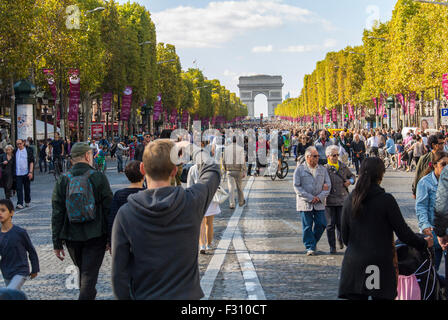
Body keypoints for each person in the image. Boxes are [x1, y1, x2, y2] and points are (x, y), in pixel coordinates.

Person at [111, 139, 221, 299]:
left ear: (142, 168)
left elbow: (118, 275)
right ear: (174, 171)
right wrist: (191, 147)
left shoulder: (125, 213)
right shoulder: (191, 201)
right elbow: (212, 169)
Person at [339, 157, 433, 300]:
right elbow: (403, 232)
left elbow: (344, 235)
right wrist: (424, 243)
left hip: (354, 263)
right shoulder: (385, 200)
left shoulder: (351, 198)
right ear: (381, 175)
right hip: (376, 266)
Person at [51, 143, 113, 300]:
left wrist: (57, 242)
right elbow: (109, 209)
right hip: (96, 234)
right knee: (88, 276)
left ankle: (88, 295)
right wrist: (111, 238)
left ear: (72, 160)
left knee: (84, 274)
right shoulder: (98, 177)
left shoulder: (63, 180)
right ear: (87, 156)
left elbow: (57, 212)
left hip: (71, 235)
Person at [293, 146, 331, 256]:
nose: (317, 158)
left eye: (318, 156)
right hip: (305, 203)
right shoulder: (299, 169)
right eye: (315, 156)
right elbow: (297, 187)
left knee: (322, 223)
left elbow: (328, 185)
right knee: (307, 226)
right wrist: (310, 197)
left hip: (319, 202)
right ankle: (310, 246)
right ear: (307, 157)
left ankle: (312, 242)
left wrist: (319, 197)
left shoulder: (322, 169)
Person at [415, 151, 448, 272]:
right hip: (432, 232)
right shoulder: (425, 182)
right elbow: (421, 207)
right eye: (443, 164)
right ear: (434, 165)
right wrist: (425, 226)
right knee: (432, 271)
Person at [0, 199, 39, 291]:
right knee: (14, 295)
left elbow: (31, 250)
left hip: (21, 271)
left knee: (10, 291)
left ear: (11, 213)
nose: (0, 213)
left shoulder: (20, 232)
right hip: (6, 272)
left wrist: (35, 269)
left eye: (3, 210)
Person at [187, 151, 221, 254]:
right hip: (210, 197)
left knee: (200, 223)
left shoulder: (193, 169)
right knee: (209, 223)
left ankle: (202, 245)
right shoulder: (211, 168)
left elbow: (189, 185)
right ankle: (209, 244)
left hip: (197, 197)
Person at [324, 145, 355, 254]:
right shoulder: (324, 169)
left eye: (337, 155)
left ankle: (341, 240)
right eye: (334, 155)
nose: (336, 157)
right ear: (328, 156)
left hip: (342, 199)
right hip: (329, 200)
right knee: (330, 225)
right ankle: (332, 247)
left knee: (341, 223)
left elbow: (352, 176)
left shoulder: (342, 166)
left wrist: (350, 181)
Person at [108, 161, 145, 248]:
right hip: (144, 238)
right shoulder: (148, 194)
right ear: (144, 174)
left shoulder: (119, 195)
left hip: (124, 238)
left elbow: (113, 218)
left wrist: (110, 241)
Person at [412, 133, 445, 198]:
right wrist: (414, 191)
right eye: (440, 144)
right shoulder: (424, 158)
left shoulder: (445, 158)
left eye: (443, 143)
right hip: (427, 191)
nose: (443, 146)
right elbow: (417, 174)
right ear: (433, 145)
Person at [223, 136, 246, 209]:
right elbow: (243, 161)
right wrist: (244, 170)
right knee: (239, 187)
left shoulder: (226, 149)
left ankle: (231, 203)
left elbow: (223, 160)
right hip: (238, 170)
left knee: (231, 187)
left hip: (229, 170)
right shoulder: (241, 149)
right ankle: (241, 201)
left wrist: (225, 168)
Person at [14, 139, 34, 210]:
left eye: (20, 143)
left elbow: (31, 162)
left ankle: (27, 201)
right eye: (17, 144)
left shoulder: (28, 151)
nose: (19, 145)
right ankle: (20, 203)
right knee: (19, 188)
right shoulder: (15, 151)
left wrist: (31, 172)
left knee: (27, 188)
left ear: (23, 143)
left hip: (26, 173)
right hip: (18, 173)